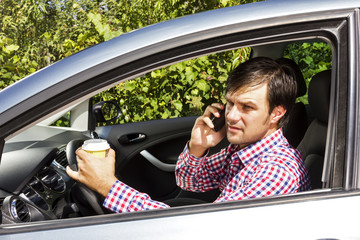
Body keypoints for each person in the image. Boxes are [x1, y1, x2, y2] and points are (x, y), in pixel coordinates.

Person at [66, 57, 311, 214]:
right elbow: (189, 183)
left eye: (247, 107)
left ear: (277, 112)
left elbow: (198, 231)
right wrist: (197, 148)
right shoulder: (245, 151)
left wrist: (108, 187)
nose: (232, 116)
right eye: (230, 104)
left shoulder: (275, 170)